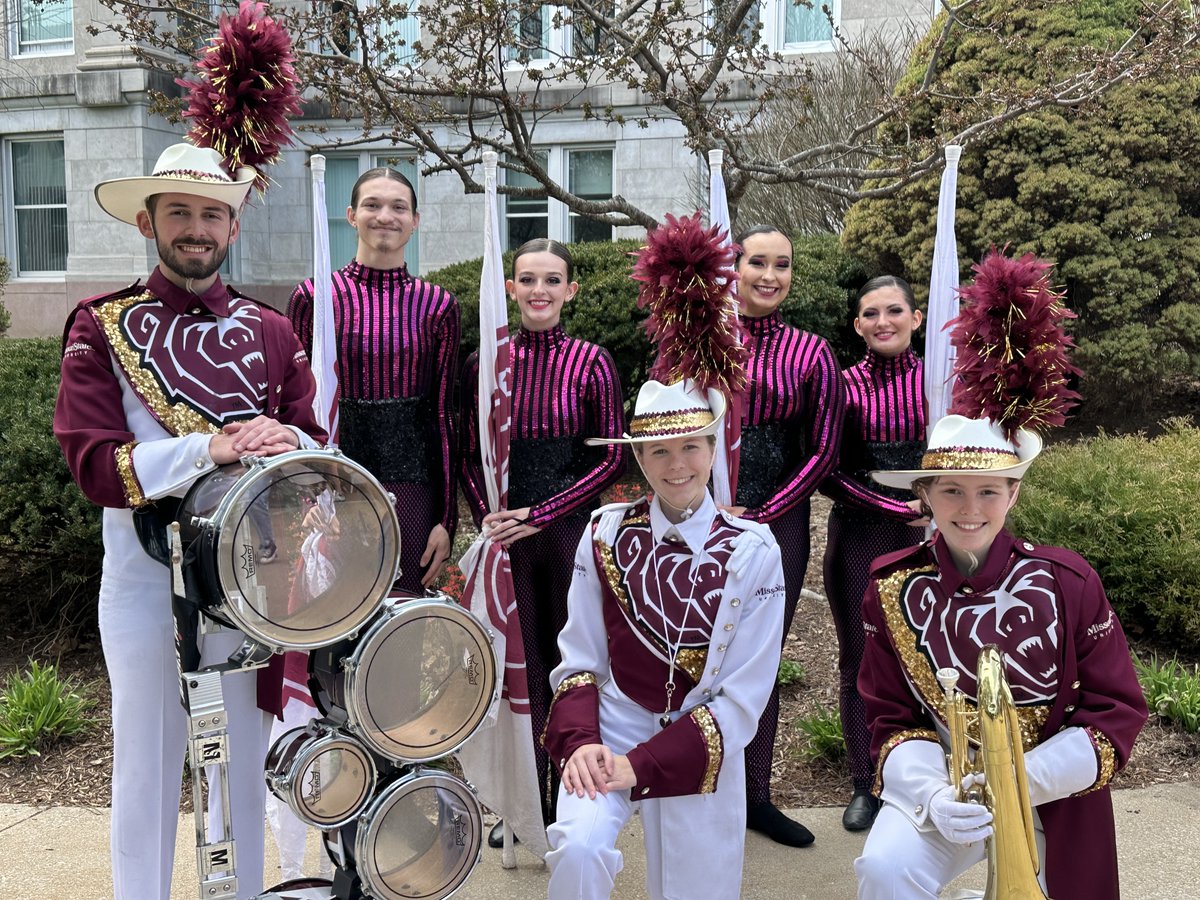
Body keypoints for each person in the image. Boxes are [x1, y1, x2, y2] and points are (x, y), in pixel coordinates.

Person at [53, 142, 327, 900]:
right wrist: (209, 447)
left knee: (239, 762)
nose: (196, 228)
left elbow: (316, 443)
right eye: (180, 212)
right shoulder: (100, 326)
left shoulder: (271, 330)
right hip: (144, 583)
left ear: (232, 229)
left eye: (213, 213)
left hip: (248, 583)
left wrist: (287, 439)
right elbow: (95, 464)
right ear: (149, 221)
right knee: (146, 764)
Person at [854, 414, 1148, 899]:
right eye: (952, 491)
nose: (970, 508)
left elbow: (1116, 713)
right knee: (885, 870)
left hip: (1051, 791)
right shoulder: (891, 586)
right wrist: (932, 794)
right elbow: (891, 717)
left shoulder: (1068, 581)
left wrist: (1017, 780)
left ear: (1013, 494)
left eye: (989, 491)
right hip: (947, 789)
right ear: (924, 494)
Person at [543, 379, 786, 900]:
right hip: (613, 725)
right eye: (660, 451)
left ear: (713, 448)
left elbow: (743, 700)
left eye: (690, 447)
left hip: (702, 740)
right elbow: (580, 657)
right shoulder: (604, 534)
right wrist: (582, 742)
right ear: (641, 459)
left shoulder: (754, 550)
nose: (677, 465)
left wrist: (643, 765)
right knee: (578, 850)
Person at [460, 238, 627, 842]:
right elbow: (465, 454)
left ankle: (571, 797)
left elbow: (610, 459)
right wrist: (490, 515)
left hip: (567, 536)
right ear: (510, 288)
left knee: (570, 664)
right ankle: (523, 804)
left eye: (552, 280)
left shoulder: (591, 361)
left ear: (570, 291)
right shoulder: (486, 363)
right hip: (508, 538)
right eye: (527, 279)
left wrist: (545, 511)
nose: (539, 291)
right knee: (518, 667)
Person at [725, 224, 846, 847]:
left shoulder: (812, 352)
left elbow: (823, 450)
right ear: (734, 266)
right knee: (693, 650)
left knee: (761, 656)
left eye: (783, 264)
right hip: (704, 515)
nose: (770, 276)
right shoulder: (700, 339)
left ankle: (754, 796)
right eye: (757, 263)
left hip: (781, 521)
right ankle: (697, 786)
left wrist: (766, 511)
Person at [287, 166, 459, 593]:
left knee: (400, 624)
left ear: (415, 220)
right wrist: (307, 496)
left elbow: (444, 414)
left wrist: (446, 519)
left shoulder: (438, 306)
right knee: (332, 619)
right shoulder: (315, 298)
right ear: (351, 215)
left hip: (411, 485)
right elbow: (296, 406)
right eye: (373, 205)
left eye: (399, 207)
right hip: (333, 483)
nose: (386, 216)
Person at [820, 275, 927, 831]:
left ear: (915, 316)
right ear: (857, 325)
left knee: (926, 659)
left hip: (926, 540)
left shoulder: (940, 379)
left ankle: (918, 776)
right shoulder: (843, 385)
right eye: (870, 314)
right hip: (859, 536)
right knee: (858, 662)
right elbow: (828, 472)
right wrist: (895, 508)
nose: (882, 321)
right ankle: (866, 783)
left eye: (893, 310)